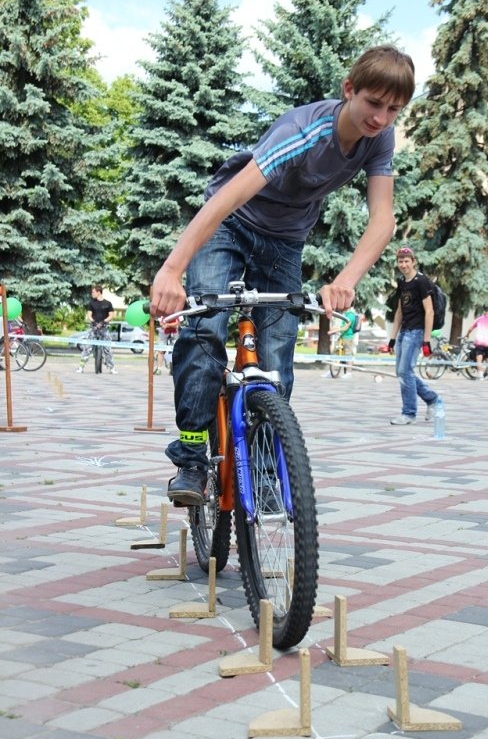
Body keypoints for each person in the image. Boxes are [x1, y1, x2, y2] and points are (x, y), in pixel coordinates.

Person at [150, 45, 416, 505]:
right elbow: (228, 199)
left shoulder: (380, 138)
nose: (381, 118)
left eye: (394, 109)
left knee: (276, 353)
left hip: (285, 241)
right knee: (205, 329)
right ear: (349, 90)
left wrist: (346, 280)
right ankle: (192, 458)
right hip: (230, 225)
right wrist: (172, 270)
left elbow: (383, 219)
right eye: (373, 103)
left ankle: (264, 470)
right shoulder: (305, 131)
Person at [388, 246, 439, 425]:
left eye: (406, 261)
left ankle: (409, 413)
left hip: (416, 332)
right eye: (400, 261)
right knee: (402, 372)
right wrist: (392, 338)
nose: (403, 264)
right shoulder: (403, 282)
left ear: (413, 261)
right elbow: (399, 311)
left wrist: (426, 340)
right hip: (404, 332)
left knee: (405, 372)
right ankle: (432, 399)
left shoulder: (421, 281)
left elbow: (429, 311)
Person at [76, 285, 118, 374]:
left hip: (104, 328)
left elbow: (111, 315)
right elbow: (89, 315)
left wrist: (103, 322)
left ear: (99, 292)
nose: (92, 294)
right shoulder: (91, 303)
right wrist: (94, 322)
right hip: (94, 328)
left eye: (93, 292)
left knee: (107, 349)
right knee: (87, 348)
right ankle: (81, 367)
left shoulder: (108, 303)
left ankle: (112, 368)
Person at [324, 302, 361, 378]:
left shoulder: (350, 314)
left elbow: (345, 328)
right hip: (342, 336)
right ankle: (331, 372)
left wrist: (334, 331)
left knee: (348, 355)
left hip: (348, 337)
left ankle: (349, 373)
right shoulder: (345, 314)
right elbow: (342, 327)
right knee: (334, 353)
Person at [466, 307, 488, 380]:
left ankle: (480, 376)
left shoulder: (479, 319)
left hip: (479, 342)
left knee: (479, 359)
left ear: (485, 312)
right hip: (487, 343)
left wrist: (467, 334)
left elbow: (471, 328)